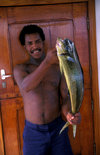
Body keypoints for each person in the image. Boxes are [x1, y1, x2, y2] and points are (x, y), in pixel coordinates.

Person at [13, 24, 81, 155]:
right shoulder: (21, 69)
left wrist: (69, 114)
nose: (35, 46)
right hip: (33, 133)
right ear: (25, 46)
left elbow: (65, 96)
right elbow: (25, 86)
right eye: (30, 43)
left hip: (58, 128)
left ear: (43, 42)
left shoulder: (58, 67)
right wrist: (47, 62)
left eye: (38, 41)